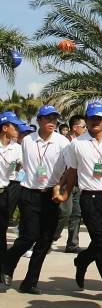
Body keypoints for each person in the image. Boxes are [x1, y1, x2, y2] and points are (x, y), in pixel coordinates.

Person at [1, 106, 68, 294]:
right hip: (29, 193)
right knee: (28, 236)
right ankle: (7, 265)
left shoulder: (63, 142)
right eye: (47, 118)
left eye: (55, 119)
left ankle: (30, 282)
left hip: (51, 196)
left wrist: (59, 186)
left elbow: (71, 169)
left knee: (45, 240)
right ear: (38, 120)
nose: (52, 122)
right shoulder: (27, 141)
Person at [60, 101, 102, 301]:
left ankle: (83, 259)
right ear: (86, 120)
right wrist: (66, 193)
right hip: (89, 198)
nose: (95, 121)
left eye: (99, 118)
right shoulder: (76, 144)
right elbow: (72, 172)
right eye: (92, 118)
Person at [52, 115, 86, 253]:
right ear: (75, 128)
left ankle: (72, 243)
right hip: (65, 182)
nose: (85, 129)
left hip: (79, 183)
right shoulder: (65, 142)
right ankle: (51, 237)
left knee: (77, 214)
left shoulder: (84, 143)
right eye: (83, 126)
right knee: (65, 212)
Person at [0, 112, 23, 276]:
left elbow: (23, 168)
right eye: (15, 126)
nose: (18, 130)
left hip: (7, 193)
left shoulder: (18, 148)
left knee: (2, 230)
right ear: (5, 127)